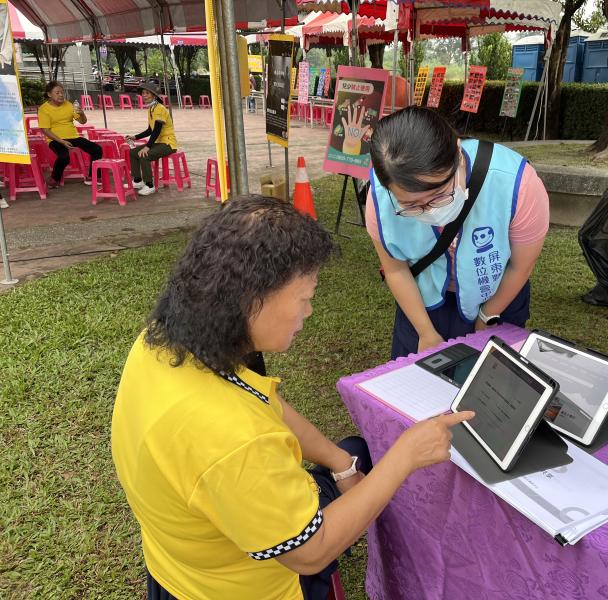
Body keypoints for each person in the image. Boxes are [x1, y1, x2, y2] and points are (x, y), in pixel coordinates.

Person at [111, 195, 472, 600]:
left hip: (176, 564)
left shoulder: (163, 345)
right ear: (253, 299)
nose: (309, 311)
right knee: (374, 465)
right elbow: (310, 553)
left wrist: (339, 462)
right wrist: (406, 455)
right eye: (304, 297)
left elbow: (266, 404)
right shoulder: (235, 439)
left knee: (354, 451)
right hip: (237, 589)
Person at [366, 106, 550, 359]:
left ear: (458, 155)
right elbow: (395, 269)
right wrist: (425, 331)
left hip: (498, 295)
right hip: (423, 302)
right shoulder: (379, 197)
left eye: (439, 195)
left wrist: (488, 315)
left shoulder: (517, 183)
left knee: (491, 385)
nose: (429, 211)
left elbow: (520, 267)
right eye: (410, 205)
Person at [37, 81, 102, 189]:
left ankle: (93, 177)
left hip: (73, 137)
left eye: (62, 92)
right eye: (57, 93)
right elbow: (45, 130)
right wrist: (62, 142)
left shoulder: (68, 104)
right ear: (49, 94)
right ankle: (54, 178)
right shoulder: (44, 109)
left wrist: (82, 113)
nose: (61, 95)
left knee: (97, 149)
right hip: (55, 140)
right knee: (64, 157)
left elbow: (83, 122)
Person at [124, 82, 177, 196]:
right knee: (133, 152)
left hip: (168, 144)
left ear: (154, 96)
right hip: (158, 142)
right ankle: (138, 180)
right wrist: (135, 137)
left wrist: (147, 147)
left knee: (144, 155)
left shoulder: (159, 108)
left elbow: (157, 130)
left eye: (147, 93)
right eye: (143, 93)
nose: (144, 95)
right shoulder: (151, 109)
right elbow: (150, 130)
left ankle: (149, 185)